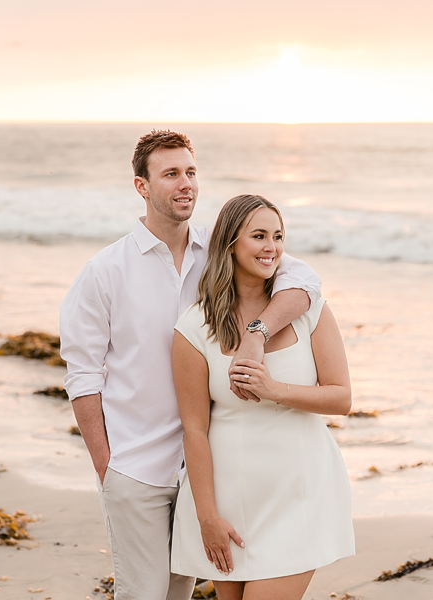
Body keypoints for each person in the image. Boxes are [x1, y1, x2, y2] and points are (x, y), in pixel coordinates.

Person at [58, 131, 322, 600]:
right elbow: (82, 376)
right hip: (137, 467)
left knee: (178, 594)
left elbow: (302, 280)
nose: (186, 185)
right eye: (171, 174)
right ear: (142, 186)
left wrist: (257, 336)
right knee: (143, 594)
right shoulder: (105, 271)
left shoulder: (219, 254)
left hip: (207, 470)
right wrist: (108, 467)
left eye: (192, 172)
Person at [170, 194, 355, 600]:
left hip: (299, 492)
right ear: (230, 242)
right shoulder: (195, 326)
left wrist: (273, 390)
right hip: (230, 499)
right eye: (258, 236)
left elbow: (341, 398)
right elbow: (194, 429)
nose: (271, 247)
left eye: (277, 236)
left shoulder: (310, 311)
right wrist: (207, 516)